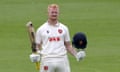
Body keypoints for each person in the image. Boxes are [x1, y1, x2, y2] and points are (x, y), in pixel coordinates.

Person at [30, 4, 86, 72]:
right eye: (52, 12)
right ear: (48, 13)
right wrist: (35, 54)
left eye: (56, 12)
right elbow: (37, 46)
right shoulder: (41, 29)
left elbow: (68, 46)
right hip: (47, 59)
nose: (54, 14)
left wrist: (76, 54)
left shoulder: (64, 28)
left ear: (58, 13)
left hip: (62, 59)